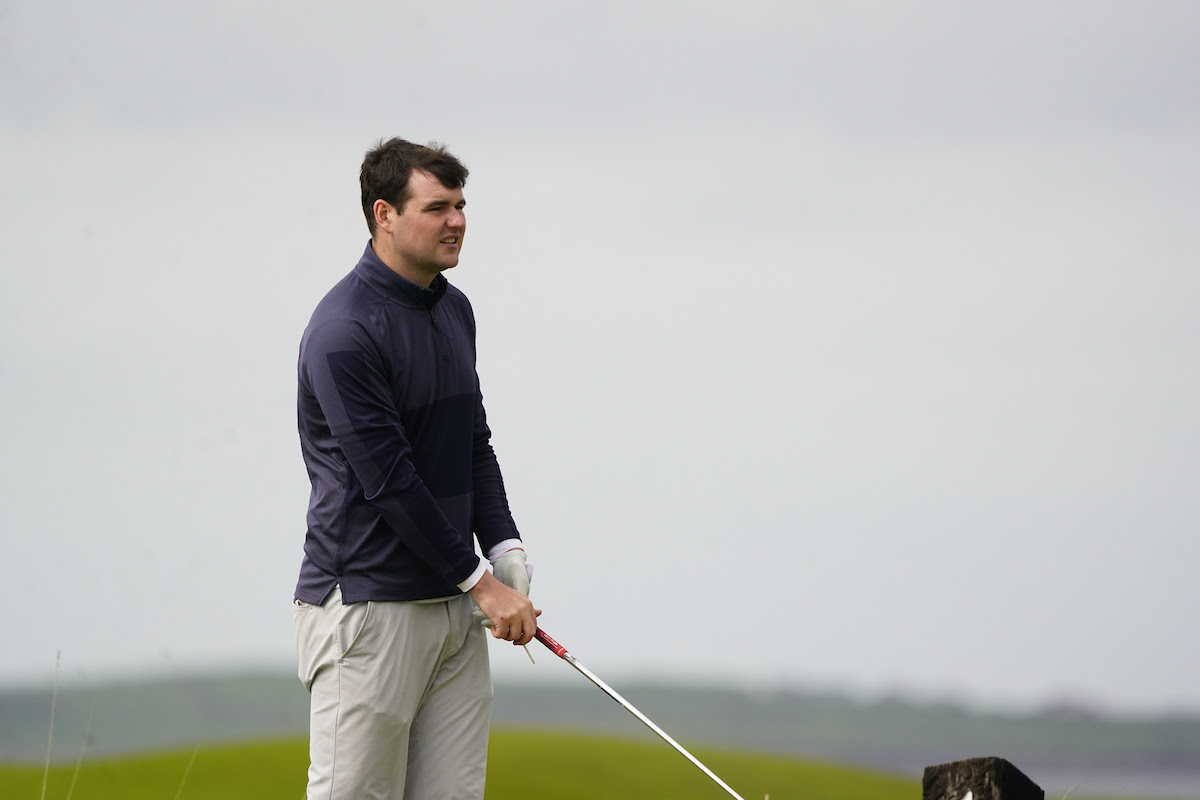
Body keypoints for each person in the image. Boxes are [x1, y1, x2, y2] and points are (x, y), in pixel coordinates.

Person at [292, 137, 540, 800]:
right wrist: (484, 585)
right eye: (436, 208)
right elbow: (389, 481)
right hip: (368, 607)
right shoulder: (344, 330)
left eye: (460, 206)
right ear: (385, 214)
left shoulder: (454, 310)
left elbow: (472, 440)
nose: (456, 221)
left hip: (453, 604)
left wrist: (505, 546)